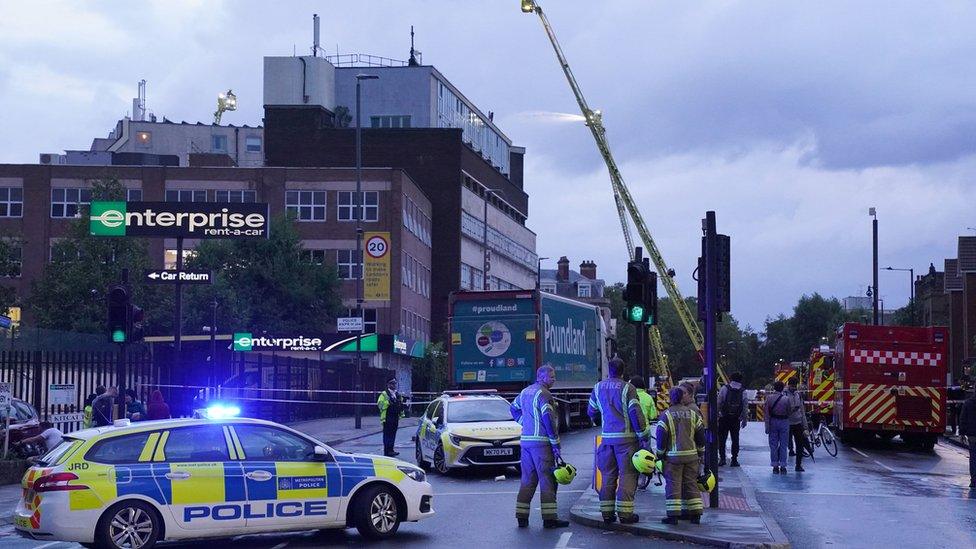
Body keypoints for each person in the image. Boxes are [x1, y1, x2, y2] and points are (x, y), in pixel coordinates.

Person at [588, 358, 651, 524]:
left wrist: (601, 421)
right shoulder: (628, 388)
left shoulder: (598, 387)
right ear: (623, 371)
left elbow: (592, 412)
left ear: (609, 370)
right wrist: (643, 437)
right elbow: (635, 414)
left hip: (607, 440)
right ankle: (625, 514)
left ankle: (607, 514)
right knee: (628, 476)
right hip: (627, 442)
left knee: (608, 476)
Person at [511, 364, 568, 528]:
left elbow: (513, 408)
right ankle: (549, 519)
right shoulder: (545, 394)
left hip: (526, 442)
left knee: (527, 480)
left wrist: (525, 423)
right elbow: (548, 420)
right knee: (548, 480)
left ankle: (521, 517)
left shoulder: (525, 392)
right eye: (552, 376)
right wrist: (555, 443)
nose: (554, 379)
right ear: (542, 377)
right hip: (541, 444)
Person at [656, 385, 705, 524]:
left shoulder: (666, 415)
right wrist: (700, 452)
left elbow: (661, 437)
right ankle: (696, 515)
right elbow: (701, 435)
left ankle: (673, 516)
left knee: (673, 486)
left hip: (673, 457)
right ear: (682, 398)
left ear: (671, 399)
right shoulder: (693, 414)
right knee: (691, 484)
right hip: (692, 456)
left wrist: (660, 455)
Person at [717, 372, 748, 467]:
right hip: (736, 419)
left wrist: (717, 414)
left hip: (724, 417)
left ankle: (722, 459)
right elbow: (745, 406)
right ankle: (734, 459)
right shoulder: (743, 391)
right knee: (735, 439)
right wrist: (744, 419)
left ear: (730, 379)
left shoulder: (724, 388)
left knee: (722, 439)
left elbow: (719, 401)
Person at [764, 381, 791, 474]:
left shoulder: (769, 398)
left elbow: (766, 414)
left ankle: (775, 466)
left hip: (773, 422)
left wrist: (767, 426)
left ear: (774, 388)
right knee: (784, 444)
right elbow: (789, 411)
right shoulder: (786, 399)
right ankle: (783, 466)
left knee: (773, 445)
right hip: (784, 422)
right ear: (783, 388)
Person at [786, 377, 810, 472]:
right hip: (787, 423)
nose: (794, 388)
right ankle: (781, 465)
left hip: (797, 423)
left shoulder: (798, 395)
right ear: (789, 385)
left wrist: (805, 425)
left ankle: (798, 465)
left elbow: (802, 411)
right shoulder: (784, 395)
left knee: (799, 445)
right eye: (792, 385)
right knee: (784, 444)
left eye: (795, 386)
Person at [377, 378, 405, 457]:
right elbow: (380, 404)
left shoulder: (397, 394)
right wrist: (388, 402)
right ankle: (387, 451)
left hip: (395, 417)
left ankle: (391, 450)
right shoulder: (384, 394)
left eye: (395, 383)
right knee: (387, 435)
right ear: (388, 384)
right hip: (387, 417)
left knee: (393, 434)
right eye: (392, 383)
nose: (393, 385)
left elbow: (400, 404)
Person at [959, 389, 976, 489]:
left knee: (973, 458)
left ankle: (974, 481)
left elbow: (963, 419)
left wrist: (962, 433)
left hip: (972, 435)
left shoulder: (968, 403)